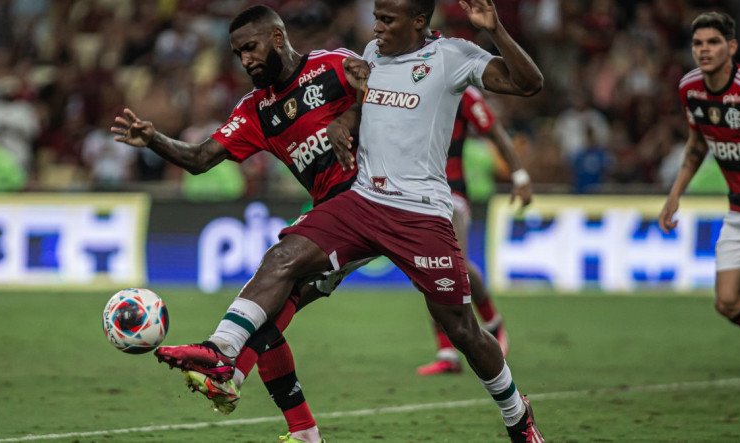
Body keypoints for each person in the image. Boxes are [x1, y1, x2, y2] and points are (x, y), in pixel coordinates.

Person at [154, 1, 546, 441]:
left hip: (421, 211)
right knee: (283, 259)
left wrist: (496, 30)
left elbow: (528, 83)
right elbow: (366, 104)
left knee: (462, 329)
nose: (375, 28)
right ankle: (220, 350)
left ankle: (518, 416)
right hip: (361, 199)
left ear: (418, 22)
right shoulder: (371, 56)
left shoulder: (452, 56)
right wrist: (347, 118)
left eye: (386, 20)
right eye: (375, 17)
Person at [111, 6, 370, 442]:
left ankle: (222, 357)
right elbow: (199, 159)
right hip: (331, 213)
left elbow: (380, 87)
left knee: (278, 264)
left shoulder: (332, 68)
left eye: (250, 48)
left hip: (370, 200)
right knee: (265, 315)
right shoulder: (256, 111)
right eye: (237, 53)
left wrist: (350, 116)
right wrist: (154, 139)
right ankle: (300, 430)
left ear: (276, 38)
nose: (245, 60)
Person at [417, 86, 532, 375]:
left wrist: (519, 175)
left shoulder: (460, 92)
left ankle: (492, 324)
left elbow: (494, 131)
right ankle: (447, 352)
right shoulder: (409, 83)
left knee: (452, 266)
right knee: (429, 268)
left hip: (452, 191)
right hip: (416, 191)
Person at [659, 11, 740, 329]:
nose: (704, 49)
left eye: (713, 42)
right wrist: (675, 194)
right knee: (727, 302)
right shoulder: (690, 88)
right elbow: (697, 144)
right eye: (697, 43)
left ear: (731, 47)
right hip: (737, 210)